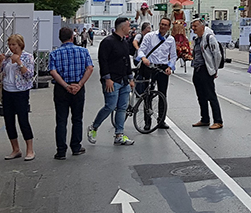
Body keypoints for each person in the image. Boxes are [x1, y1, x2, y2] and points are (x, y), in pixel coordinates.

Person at [87, 16, 136, 146]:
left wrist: (130, 78)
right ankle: (94, 127)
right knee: (110, 106)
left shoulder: (124, 42)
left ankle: (119, 134)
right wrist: (107, 78)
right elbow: (103, 61)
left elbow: (127, 61)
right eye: (128, 25)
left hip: (124, 80)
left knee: (122, 108)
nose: (130, 28)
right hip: (112, 80)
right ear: (122, 26)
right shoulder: (108, 42)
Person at [49, 27, 94, 160]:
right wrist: (79, 84)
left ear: (60, 38)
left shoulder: (55, 53)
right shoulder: (83, 51)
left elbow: (53, 71)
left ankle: (61, 151)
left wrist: (65, 85)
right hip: (78, 87)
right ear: (72, 37)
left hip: (61, 88)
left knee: (61, 120)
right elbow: (90, 68)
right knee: (77, 119)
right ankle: (76, 146)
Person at [0, 33, 36, 160]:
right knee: (9, 121)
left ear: (20, 45)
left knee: (23, 120)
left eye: (13, 45)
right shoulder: (7, 58)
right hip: (7, 91)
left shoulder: (27, 57)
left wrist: (19, 63)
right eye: (9, 45)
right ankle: (15, 149)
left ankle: (30, 149)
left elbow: (29, 76)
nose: (11, 47)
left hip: (21, 91)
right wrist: (0, 62)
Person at [136, 16, 176, 129]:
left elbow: (173, 56)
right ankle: (147, 122)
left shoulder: (171, 39)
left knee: (162, 94)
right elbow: (141, 49)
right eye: (161, 24)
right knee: (147, 94)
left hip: (162, 68)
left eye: (165, 25)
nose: (163, 26)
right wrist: (143, 58)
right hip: (149, 66)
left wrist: (170, 67)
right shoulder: (150, 36)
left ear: (169, 27)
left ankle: (161, 121)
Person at [190, 18, 224, 129]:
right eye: (192, 26)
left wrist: (214, 70)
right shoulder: (197, 39)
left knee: (211, 95)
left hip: (206, 70)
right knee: (201, 96)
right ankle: (205, 119)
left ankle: (218, 121)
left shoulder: (209, 38)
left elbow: (217, 54)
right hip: (197, 69)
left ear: (202, 26)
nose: (193, 28)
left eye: (195, 26)